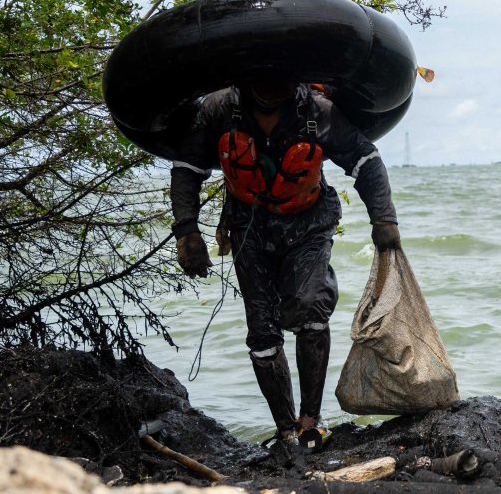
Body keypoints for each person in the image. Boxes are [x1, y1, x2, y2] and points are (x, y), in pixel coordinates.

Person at [168, 79, 401, 453]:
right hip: (248, 228)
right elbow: (187, 167)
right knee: (261, 331)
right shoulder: (219, 109)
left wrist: (384, 220)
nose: (272, 83)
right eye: (264, 74)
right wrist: (186, 231)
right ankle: (285, 430)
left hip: (308, 223)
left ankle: (311, 422)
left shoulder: (317, 110)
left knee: (309, 305)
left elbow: (365, 160)